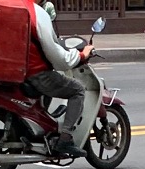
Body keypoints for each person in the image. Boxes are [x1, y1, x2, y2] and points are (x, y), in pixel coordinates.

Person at [29, 1, 98, 156]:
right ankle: (65, 139)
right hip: (36, 73)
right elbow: (59, 57)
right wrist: (82, 55)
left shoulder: (14, 8)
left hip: (18, 72)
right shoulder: (36, 14)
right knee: (78, 90)